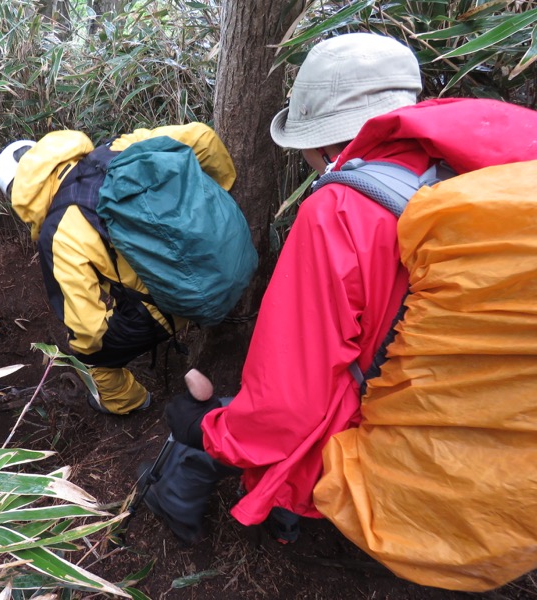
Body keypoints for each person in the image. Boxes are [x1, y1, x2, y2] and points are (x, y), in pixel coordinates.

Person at [150, 32, 537, 546]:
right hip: (490, 436)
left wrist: (206, 430)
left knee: (230, 425)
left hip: (376, 436)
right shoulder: (482, 172)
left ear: (319, 138)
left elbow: (292, 401)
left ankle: (283, 522)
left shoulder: (340, 212)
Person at [0, 124, 236, 415]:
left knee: (88, 355)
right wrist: (223, 202)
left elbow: (89, 329)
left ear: (16, 196)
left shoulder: (58, 232)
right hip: (229, 251)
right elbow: (202, 137)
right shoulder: (119, 148)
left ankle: (129, 403)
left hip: (178, 303)